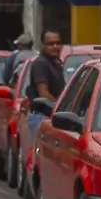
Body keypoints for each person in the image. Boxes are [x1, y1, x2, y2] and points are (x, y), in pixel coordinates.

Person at [24, 32, 68, 165]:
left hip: (51, 117)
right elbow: (43, 93)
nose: (55, 46)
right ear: (42, 45)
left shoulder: (55, 64)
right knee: (40, 162)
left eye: (58, 43)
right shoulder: (41, 64)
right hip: (41, 117)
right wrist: (61, 108)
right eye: (50, 44)